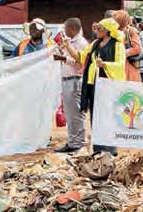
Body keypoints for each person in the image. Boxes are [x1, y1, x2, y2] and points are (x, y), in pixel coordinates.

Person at [67, 18, 126, 155]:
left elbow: (120, 65)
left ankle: (110, 149)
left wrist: (105, 65)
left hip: (109, 86)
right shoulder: (95, 44)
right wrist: (67, 46)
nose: (96, 30)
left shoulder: (118, 45)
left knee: (108, 116)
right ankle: (98, 148)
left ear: (107, 31)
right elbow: (80, 57)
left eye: (99, 28)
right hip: (94, 85)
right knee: (96, 115)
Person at [53, 17, 88, 153]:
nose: (64, 31)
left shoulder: (81, 43)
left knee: (76, 113)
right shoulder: (70, 42)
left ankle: (78, 143)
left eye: (66, 28)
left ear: (72, 29)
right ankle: (72, 141)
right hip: (67, 79)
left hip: (75, 80)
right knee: (69, 114)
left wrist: (63, 58)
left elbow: (80, 63)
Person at [112, 10, 142, 82]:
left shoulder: (131, 31)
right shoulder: (112, 31)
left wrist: (121, 53)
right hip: (117, 67)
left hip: (129, 66)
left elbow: (137, 49)